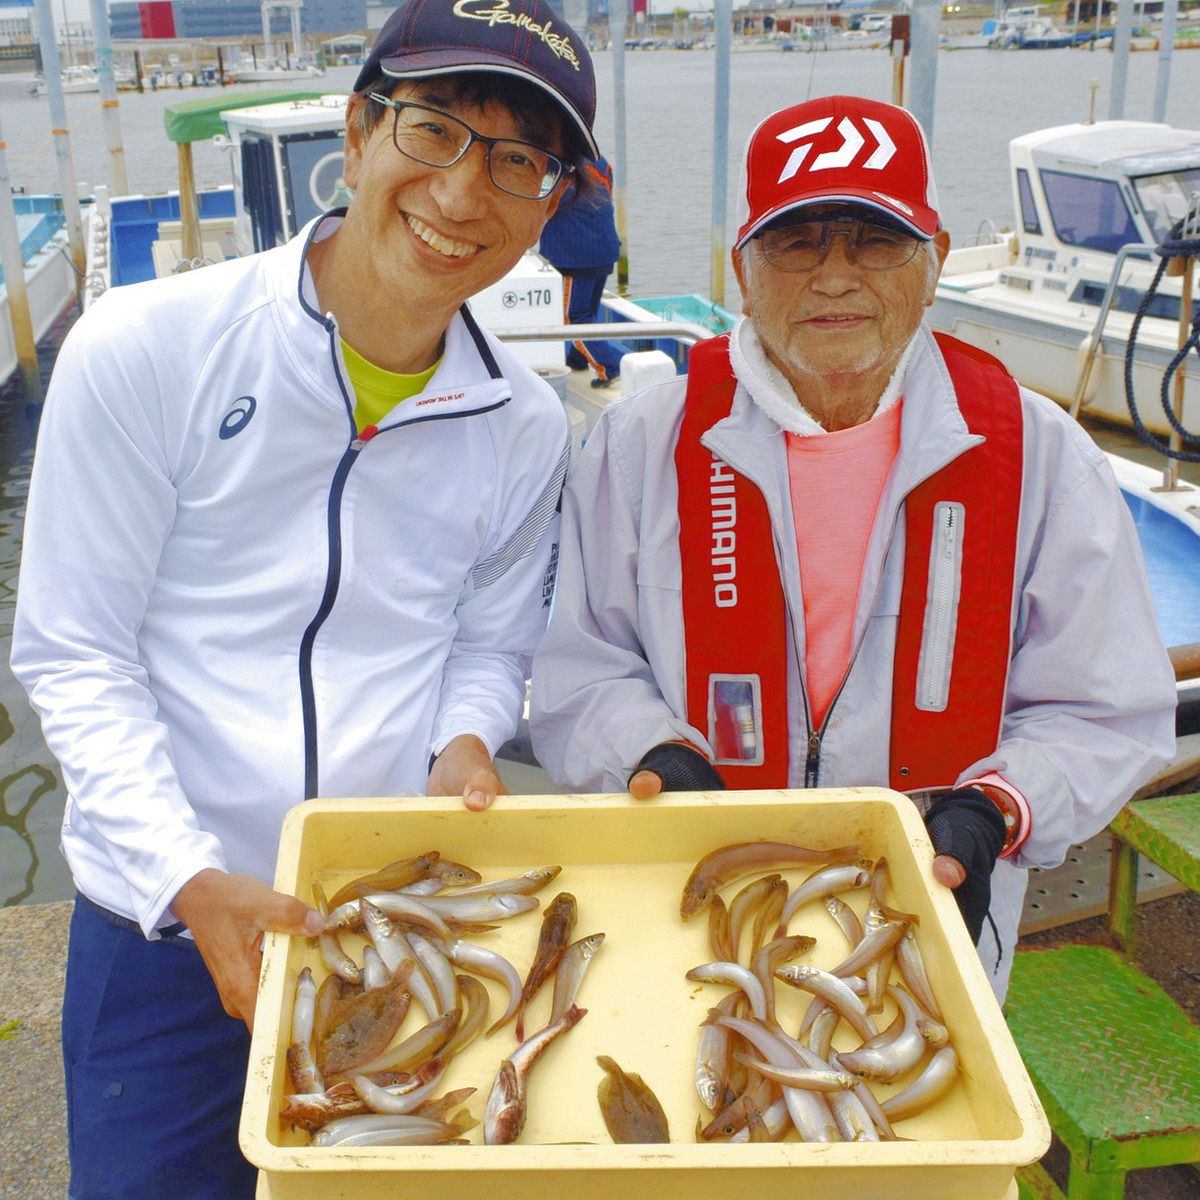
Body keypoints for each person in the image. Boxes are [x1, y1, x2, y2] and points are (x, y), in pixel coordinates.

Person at [11, 0, 597, 1193]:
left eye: (518, 160)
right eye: (434, 129)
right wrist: (185, 876)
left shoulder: (526, 422)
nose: (462, 193)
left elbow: (490, 642)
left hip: (385, 917)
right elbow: (75, 652)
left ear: (550, 203)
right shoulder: (145, 346)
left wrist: (463, 736)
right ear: (359, 131)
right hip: (160, 925)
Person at [530, 95, 1177, 1001]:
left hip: (926, 925)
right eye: (797, 243)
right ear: (743, 270)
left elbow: (1108, 708)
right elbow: (580, 668)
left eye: (876, 242)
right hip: (695, 908)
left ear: (935, 261)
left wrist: (1001, 806)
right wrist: (646, 751)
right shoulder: (641, 445)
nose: (835, 278)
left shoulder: (1042, 457)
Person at [539, 154, 625, 387]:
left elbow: (543, 203)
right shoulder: (600, 162)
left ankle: (608, 367)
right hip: (603, 249)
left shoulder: (559, 169)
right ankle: (577, 358)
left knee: (574, 317)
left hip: (575, 257)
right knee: (588, 311)